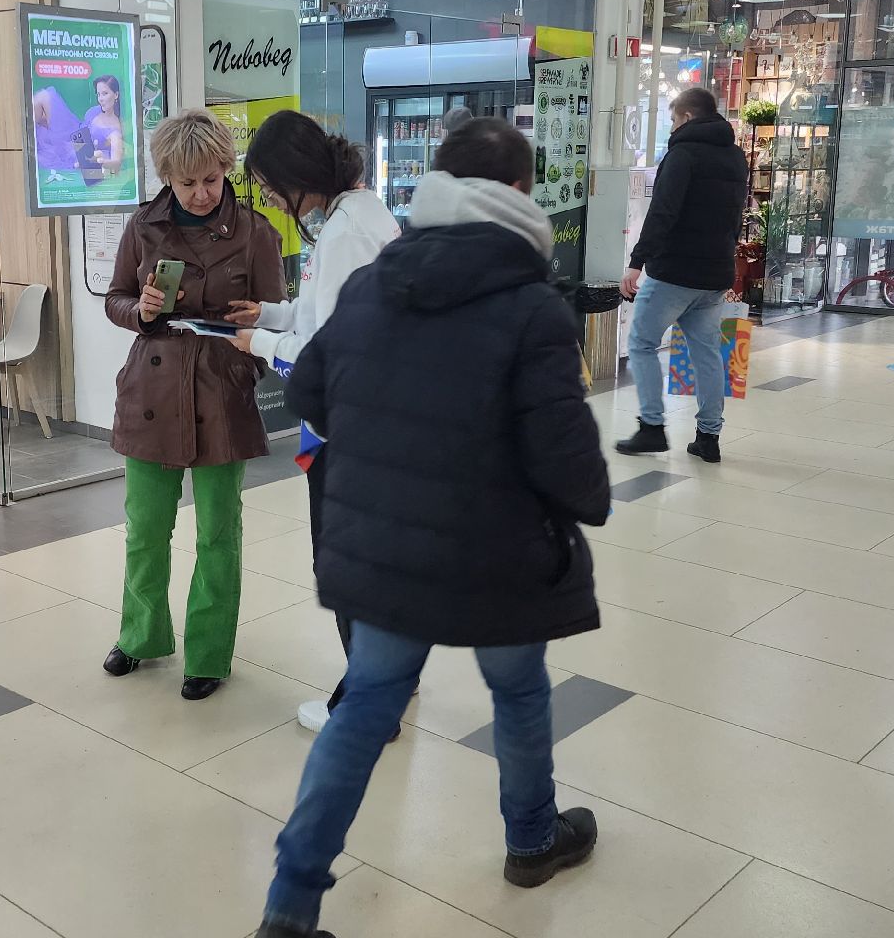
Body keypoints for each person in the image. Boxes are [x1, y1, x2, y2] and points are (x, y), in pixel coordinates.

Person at [254, 117, 611, 938]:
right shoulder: (532, 306)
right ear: (518, 195)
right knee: (518, 689)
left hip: (388, 548)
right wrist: (590, 502)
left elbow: (309, 392)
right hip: (504, 553)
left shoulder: (378, 280)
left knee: (366, 708)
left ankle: (289, 906)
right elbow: (568, 465)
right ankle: (530, 841)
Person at [222, 109, 399, 736]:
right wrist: (271, 314)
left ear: (297, 176)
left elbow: (326, 349)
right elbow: (326, 308)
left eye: (272, 190)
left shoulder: (347, 231)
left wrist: (256, 345)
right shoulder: (359, 214)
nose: (271, 202)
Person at [102, 110, 286, 701]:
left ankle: (208, 655)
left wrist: (245, 358)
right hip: (152, 390)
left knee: (218, 533)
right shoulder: (142, 225)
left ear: (225, 169)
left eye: (212, 178)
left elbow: (275, 316)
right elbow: (116, 299)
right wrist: (143, 311)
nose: (203, 193)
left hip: (219, 389)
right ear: (167, 178)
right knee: (145, 529)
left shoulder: (257, 232)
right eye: (189, 183)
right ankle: (141, 636)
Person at [617, 87, 746, 464]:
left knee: (641, 343)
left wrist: (637, 261)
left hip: (674, 272)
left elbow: (663, 212)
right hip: (715, 273)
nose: (671, 127)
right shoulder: (735, 157)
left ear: (687, 117)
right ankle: (708, 437)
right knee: (706, 352)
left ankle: (652, 428)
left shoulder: (682, 154)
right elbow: (735, 217)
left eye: (673, 119)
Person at [86, 74, 126, 178]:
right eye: (98, 94)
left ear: (116, 95)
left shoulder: (115, 130)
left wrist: (102, 162)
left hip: (92, 168)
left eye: (105, 93)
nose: (100, 99)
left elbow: (117, 162)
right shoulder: (92, 112)